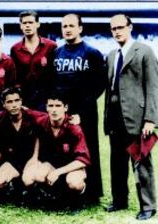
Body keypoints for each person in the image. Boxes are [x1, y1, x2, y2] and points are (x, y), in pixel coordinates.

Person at [104, 14, 158, 220]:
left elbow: (153, 87)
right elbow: (110, 90)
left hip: (137, 118)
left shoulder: (144, 51)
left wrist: (150, 119)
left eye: (120, 27)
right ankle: (119, 200)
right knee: (116, 162)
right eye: (113, 28)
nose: (117, 31)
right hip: (115, 118)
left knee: (141, 162)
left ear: (130, 27)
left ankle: (148, 205)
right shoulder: (111, 55)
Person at [52, 14, 106, 203]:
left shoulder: (92, 53)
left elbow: (100, 85)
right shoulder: (57, 53)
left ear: (80, 28)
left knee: (89, 149)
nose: (67, 29)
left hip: (85, 110)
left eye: (71, 25)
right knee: (63, 150)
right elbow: (54, 84)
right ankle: (65, 191)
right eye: (64, 26)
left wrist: (82, 112)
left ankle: (92, 193)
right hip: (62, 111)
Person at [24, 92, 90, 207]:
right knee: (32, 176)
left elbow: (83, 160)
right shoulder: (42, 121)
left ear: (65, 107)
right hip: (52, 165)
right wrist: (35, 157)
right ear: (46, 107)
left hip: (72, 168)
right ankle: (51, 197)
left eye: (58, 106)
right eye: (51, 106)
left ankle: (78, 200)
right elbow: (26, 111)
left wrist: (58, 172)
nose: (54, 110)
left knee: (74, 182)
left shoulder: (74, 128)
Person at [0, 87, 45, 200]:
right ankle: (15, 184)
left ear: (21, 101)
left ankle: (37, 190)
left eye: (16, 100)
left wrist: (72, 118)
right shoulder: (0, 118)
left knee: (29, 180)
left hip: (32, 159)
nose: (14, 105)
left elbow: (52, 116)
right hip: (13, 160)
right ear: (3, 104)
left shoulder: (32, 116)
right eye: (9, 102)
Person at [10, 10, 57, 111]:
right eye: (24, 23)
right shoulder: (15, 49)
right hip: (25, 99)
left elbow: (55, 75)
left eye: (30, 22)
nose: (27, 26)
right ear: (20, 26)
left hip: (46, 98)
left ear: (37, 24)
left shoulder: (51, 46)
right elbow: (15, 77)